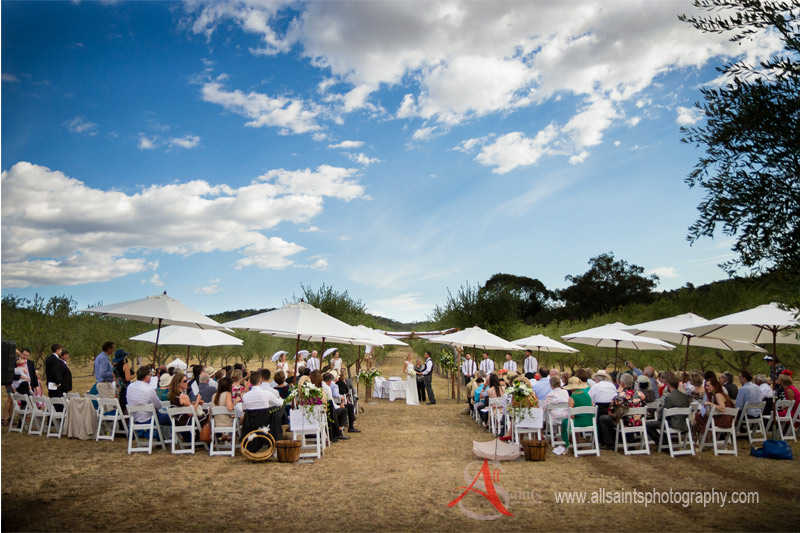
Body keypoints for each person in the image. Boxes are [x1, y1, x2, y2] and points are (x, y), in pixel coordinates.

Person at [598, 373, 646, 450]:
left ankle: (610, 443)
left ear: (622, 384)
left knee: (603, 418)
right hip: (638, 423)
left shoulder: (619, 397)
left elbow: (610, 413)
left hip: (624, 423)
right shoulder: (640, 395)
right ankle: (629, 441)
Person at [646, 372, 690, 447]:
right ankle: (664, 442)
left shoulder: (669, 398)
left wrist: (658, 419)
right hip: (684, 423)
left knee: (647, 425)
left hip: (672, 423)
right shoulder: (685, 397)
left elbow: (664, 414)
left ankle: (662, 444)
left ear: (669, 385)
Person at [563, 376, 593, 447]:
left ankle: (573, 442)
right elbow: (592, 406)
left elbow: (572, 416)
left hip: (578, 423)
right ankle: (577, 442)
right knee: (574, 419)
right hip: (590, 421)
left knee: (567, 421)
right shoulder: (587, 395)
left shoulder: (572, 398)